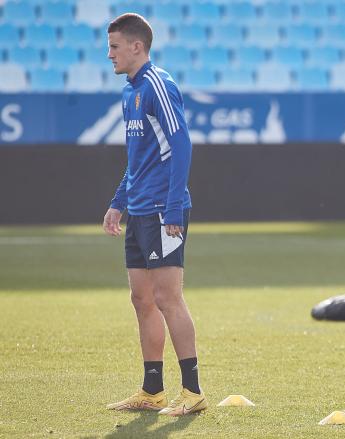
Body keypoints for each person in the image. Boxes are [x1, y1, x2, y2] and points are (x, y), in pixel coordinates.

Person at [102, 13, 207, 416]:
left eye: (114, 46)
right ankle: (152, 391)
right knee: (141, 298)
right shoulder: (129, 93)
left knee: (168, 297)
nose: (108, 54)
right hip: (139, 211)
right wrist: (118, 202)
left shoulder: (158, 85)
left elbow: (181, 146)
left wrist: (176, 204)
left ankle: (193, 393)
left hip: (164, 209)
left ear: (136, 47)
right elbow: (138, 160)